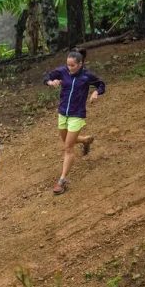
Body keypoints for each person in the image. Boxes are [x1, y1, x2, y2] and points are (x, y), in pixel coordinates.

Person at [43, 49, 105, 195]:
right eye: (68, 65)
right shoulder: (63, 71)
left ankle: (62, 180)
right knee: (66, 141)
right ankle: (84, 140)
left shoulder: (86, 76)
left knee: (68, 148)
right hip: (63, 113)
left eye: (72, 66)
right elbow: (47, 76)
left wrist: (96, 92)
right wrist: (51, 82)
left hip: (77, 115)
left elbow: (101, 84)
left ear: (80, 64)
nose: (69, 68)